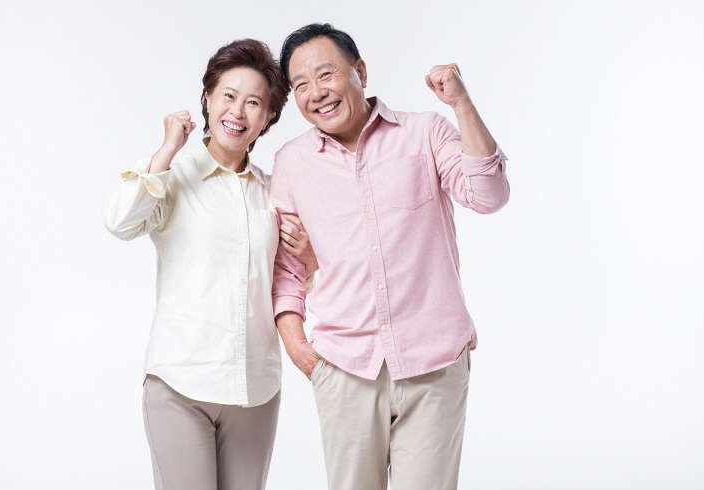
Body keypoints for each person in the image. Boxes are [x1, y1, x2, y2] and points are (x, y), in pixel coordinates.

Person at [271, 23, 510, 490]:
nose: (316, 93)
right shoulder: (292, 162)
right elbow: (286, 270)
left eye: (326, 74)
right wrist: (301, 352)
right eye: (301, 85)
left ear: (360, 71)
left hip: (434, 363)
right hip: (345, 368)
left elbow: (489, 195)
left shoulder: (425, 132)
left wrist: (461, 104)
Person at [103, 39, 317, 490]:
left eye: (254, 102)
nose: (237, 111)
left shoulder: (273, 193)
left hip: (255, 389)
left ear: (269, 117)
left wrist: (311, 262)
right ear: (208, 99)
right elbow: (120, 222)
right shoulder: (172, 176)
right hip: (181, 384)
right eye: (228, 95)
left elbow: (292, 281)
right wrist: (167, 149)